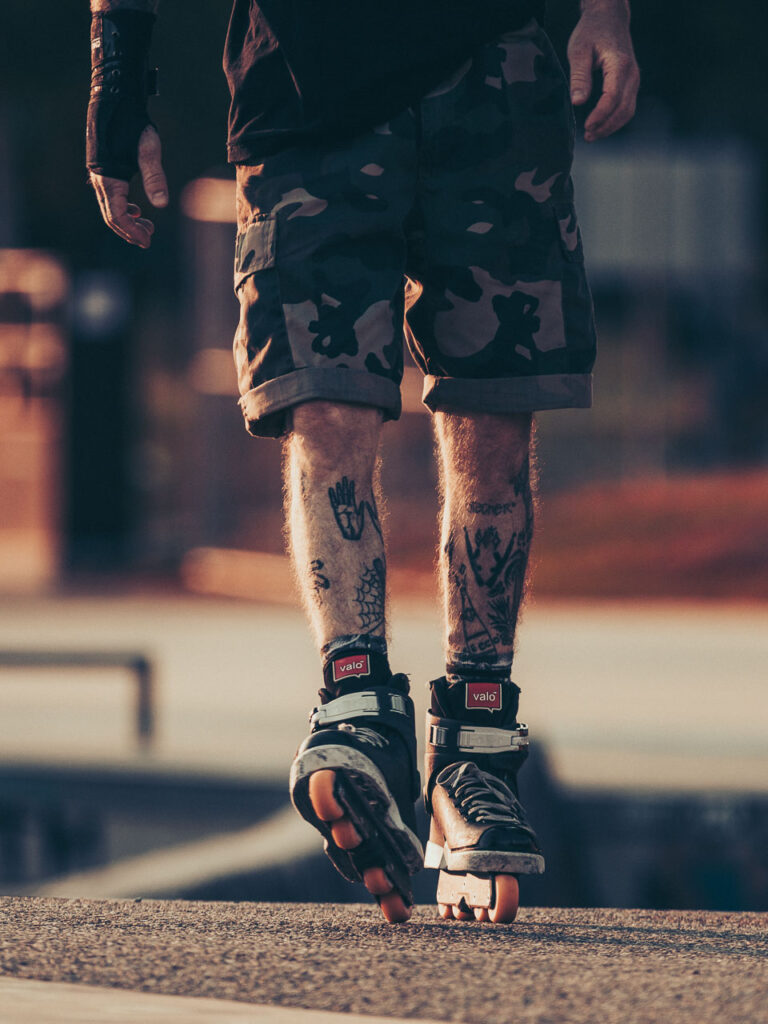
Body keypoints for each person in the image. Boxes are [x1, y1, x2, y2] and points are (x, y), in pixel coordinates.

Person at [87, 0, 639, 923]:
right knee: (325, 397)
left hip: (494, 66)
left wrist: (605, 14)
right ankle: (356, 706)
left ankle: (476, 744)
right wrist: (115, 89)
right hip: (303, 87)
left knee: (495, 415)